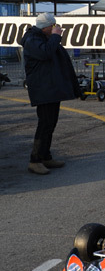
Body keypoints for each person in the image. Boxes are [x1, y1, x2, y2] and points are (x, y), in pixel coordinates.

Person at [20, 12, 83, 175]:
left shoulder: (44, 38)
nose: (56, 28)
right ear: (46, 27)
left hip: (51, 88)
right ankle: (35, 160)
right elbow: (45, 53)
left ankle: (45, 156)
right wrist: (56, 37)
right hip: (43, 89)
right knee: (45, 124)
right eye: (53, 26)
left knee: (51, 123)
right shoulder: (32, 39)